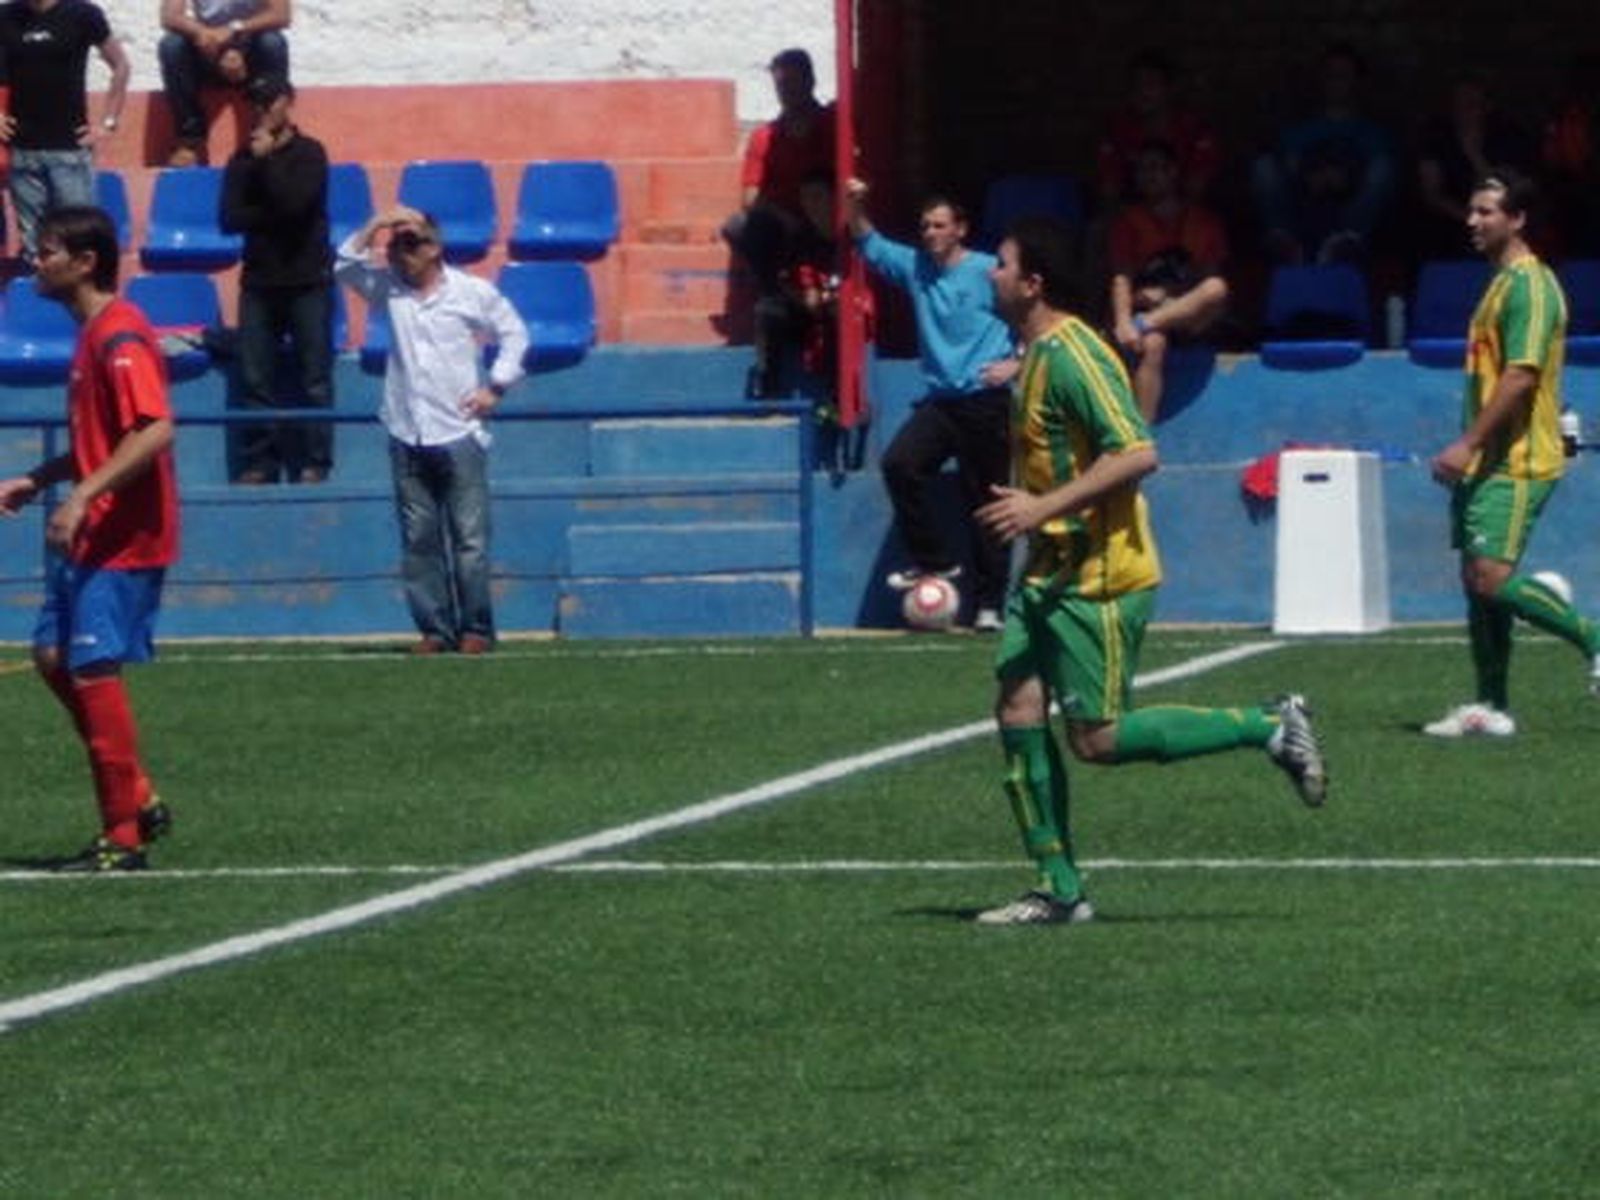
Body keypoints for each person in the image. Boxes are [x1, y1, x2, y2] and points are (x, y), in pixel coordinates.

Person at [970, 215, 1326, 925]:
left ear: (1034, 283)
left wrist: (1042, 508)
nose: (990, 272)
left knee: (1097, 739)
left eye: (1001, 264)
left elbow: (1137, 453)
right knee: (1016, 705)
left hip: (1098, 575)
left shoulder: (1074, 354)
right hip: (1048, 572)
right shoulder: (1034, 352)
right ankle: (1058, 888)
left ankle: (1266, 725)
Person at [0, 206, 178, 872]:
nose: (33, 261)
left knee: (93, 667)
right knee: (51, 655)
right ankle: (139, 794)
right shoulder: (92, 334)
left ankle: (122, 839)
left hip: (123, 537)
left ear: (85, 263)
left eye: (47, 251)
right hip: (93, 533)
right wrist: (41, 477)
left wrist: (81, 496)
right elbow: (104, 440)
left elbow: (155, 430)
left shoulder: (121, 336)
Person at [1424, 169, 1600, 738]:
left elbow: (1522, 376)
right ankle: (1491, 705)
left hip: (1518, 458)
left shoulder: (1531, 285)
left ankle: (1594, 640)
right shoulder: (1499, 283)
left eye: (1486, 212)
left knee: (1492, 580)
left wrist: (1469, 441)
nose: (1472, 221)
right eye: (1471, 211)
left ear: (1518, 219)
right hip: (1489, 459)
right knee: (1478, 584)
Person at [335, 206, 528, 655]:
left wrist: (495, 386)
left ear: (435, 247)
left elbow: (514, 333)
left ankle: (475, 627)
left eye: (412, 243)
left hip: (458, 430)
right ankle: (435, 629)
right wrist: (376, 224)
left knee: (469, 540)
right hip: (407, 430)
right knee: (418, 540)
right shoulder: (388, 290)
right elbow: (345, 266)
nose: (402, 253)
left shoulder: (470, 292)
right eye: (396, 245)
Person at [845, 177, 1018, 632]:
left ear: (960, 229)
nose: (930, 234)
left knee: (988, 503)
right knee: (900, 464)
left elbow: (1036, 315)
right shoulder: (916, 267)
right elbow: (868, 240)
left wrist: (1017, 363)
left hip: (985, 401)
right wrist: (856, 203)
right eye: (924, 226)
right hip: (941, 401)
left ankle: (990, 605)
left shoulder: (987, 271)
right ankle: (935, 562)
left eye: (939, 226)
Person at [220, 73, 332, 485]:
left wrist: (266, 168)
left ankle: (315, 461)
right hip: (260, 282)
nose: (262, 109)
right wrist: (272, 208)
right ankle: (259, 463)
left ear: (288, 101)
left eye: (270, 100)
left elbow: (297, 206)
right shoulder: (241, 158)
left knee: (314, 377)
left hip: (307, 280)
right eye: (256, 101)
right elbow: (229, 219)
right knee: (255, 379)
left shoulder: (311, 154)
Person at [724, 46, 835, 381]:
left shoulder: (832, 123)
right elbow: (750, 198)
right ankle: (780, 293)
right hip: (786, 234)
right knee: (739, 226)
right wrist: (786, 216)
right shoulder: (764, 137)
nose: (786, 92)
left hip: (827, 225)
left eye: (793, 83)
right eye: (780, 86)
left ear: (811, 81)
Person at [1106, 140, 1230, 422]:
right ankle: (1142, 437)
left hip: (1189, 313)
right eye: (1142, 171)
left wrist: (1168, 294)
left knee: (1217, 288)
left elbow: (1208, 277)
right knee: (1153, 345)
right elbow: (1122, 277)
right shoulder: (1128, 222)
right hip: (1145, 314)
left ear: (1173, 172)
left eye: (1157, 168)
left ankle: (1146, 325)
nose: (1149, 176)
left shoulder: (1203, 220)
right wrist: (1124, 322)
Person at [0, 0, 129, 263]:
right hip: (21, 153)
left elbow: (120, 66)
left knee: (79, 247)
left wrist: (107, 123)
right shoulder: (5, 15)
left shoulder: (83, 14)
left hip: (69, 152)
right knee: (35, 253)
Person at [1251, 43, 1395, 265]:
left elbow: (1378, 180)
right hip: (1302, 207)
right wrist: (1309, 176)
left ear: (1357, 81)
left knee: (1384, 167)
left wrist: (1347, 179)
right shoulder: (1298, 130)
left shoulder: (1372, 133)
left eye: (1344, 75)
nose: (1336, 81)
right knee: (1263, 166)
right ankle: (1285, 240)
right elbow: (1287, 170)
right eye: (1331, 74)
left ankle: (1346, 241)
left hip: (1350, 211)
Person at [158, 0, 292, 167]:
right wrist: (206, 35)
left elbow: (282, 15)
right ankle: (190, 140)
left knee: (273, 42)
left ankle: (269, 131)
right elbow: (170, 17)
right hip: (206, 48)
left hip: (250, 51)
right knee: (172, 45)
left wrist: (234, 30)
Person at [1414, 78, 1534, 262]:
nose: (1464, 111)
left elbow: (1507, 193)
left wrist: (1474, 155)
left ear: (1487, 106)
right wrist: (1467, 217)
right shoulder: (1437, 135)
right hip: (1450, 218)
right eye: (1458, 104)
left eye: (1472, 104)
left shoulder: (1506, 136)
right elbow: (1431, 193)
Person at [749, 168, 839, 401]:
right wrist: (803, 297)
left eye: (817, 197)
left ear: (833, 198)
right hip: (807, 314)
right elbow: (785, 281)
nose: (811, 205)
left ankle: (837, 395)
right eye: (806, 198)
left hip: (837, 312)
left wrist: (829, 298)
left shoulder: (847, 236)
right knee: (768, 310)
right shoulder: (800, 237)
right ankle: (768, 382)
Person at [1094, 50, 1220, 207]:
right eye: (1136, 85)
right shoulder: (1117, 130)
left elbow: (1196, 193)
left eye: (1151, 84)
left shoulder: (1195, 130)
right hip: (1132, 215)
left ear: (1170, 89)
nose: (1142, 92)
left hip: (1183, 218)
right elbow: (1109, 191)